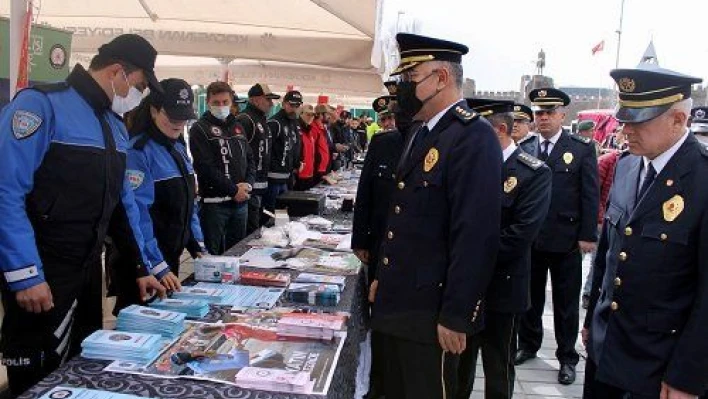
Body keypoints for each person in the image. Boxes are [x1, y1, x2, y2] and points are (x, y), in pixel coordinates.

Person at [0, 34, 166, 396]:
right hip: (44, 273)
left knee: (83, 374)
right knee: (37, 381)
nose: (136, 95)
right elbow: (5, 191)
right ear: (117, 72)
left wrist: (139, 266)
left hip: (89, 269)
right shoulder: (41, 106)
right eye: (138, 86)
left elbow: (123, 205)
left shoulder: (113, 124)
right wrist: (24, 273)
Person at [370, 33, 501, 399]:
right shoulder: (422, 131)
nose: (402, 89)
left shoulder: (472, 137)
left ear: (441, 79)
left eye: (410, 80)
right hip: (400, 302)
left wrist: (457, 315)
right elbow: (402, 215)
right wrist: (384, 275)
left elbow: (476, 236)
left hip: (432, 313)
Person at [583, 64, 708, 399]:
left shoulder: (702, 179)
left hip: (659, 363)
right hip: (605, 347)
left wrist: (688, 376)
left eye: (638, 121)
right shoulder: (625, 166)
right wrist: (590, 316)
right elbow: (609, 252)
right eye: (624, 120)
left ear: (678, 120)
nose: (625, 131)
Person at [457, 99, 551, 399]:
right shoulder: (469, 166)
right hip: (465, 286)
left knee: (498, 366)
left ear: (499, 130)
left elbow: (521, 234)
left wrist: (468, 254)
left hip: (502, 285)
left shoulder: (533, 173)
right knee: (460, 364)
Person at [516, 88, 599, 385]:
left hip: (566, 239)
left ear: (563, 115)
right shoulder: (524, 147)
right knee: (530, 297)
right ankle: (528, 344)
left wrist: (588, 234)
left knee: (566, 303)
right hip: (532, 239)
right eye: (539, 113)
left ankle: (567, 357)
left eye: (549, 112)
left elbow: (590, 194)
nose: (543, 118)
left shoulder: (580, 148)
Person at [112, 78, 206, 312]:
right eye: (172, 117)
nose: (178, 123)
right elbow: (137, 216)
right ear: (154, 110)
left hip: (170, 258)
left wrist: (198, 245)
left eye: (183, 117)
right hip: (144, 263)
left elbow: (189, 203)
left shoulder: (178, 149)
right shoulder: (138, 152)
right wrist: (155, 264)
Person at [352, 93, 407, 399]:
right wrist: (359, 238)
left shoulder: (435, 144)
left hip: (410, 250)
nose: (397, 118)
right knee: (379, 316)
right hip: (378, 245)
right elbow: (366, 191)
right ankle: (378, 380)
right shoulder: (383, 143)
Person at [189, 81, 255, 255]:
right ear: (208, 102)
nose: (221, 106)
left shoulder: (238, 126)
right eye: (216, 103)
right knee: (212, 258)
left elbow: (250, 159)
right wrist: (233, 189)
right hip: (214, 206)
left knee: (237, 255)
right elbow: (204, 167)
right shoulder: (199, 128)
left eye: (225, 102)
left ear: (231, 102)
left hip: (241, 203)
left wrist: (248, 184)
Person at [582, 128, 626, 309]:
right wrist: (600, 219)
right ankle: (589, 293)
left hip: (619, 221)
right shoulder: (607, 161)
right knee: (599, 260)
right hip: (602, 220)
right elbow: (593, 193)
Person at [236, 83, 279, 234]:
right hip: (249, 188)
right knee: (250, 231)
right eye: (267, 99)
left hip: (262, 186)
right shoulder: (245, 119)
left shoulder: (262, 120)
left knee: (258, 226)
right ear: (255, 100)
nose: (271, 103)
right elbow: (239, 156)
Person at [264, 90, 302, 212]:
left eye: (297, 106)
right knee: (271, 214)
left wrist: (297, 163)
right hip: (272, 179)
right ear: (284, 104)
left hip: (287, 177)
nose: (294, 108)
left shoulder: (294, 123)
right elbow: (265, 150)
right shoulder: (274, 123)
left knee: (283, 213)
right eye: (291, 105)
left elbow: (295, 147)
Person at [295, 104, 317, 190]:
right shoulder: (297, 129)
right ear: (301, 114)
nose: (311, 117)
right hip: (299, 175)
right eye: (308, 114)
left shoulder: (309, 130)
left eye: (313, 115)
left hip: (309, 173)